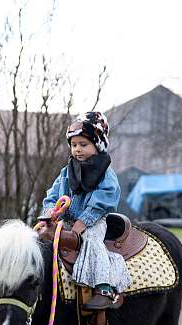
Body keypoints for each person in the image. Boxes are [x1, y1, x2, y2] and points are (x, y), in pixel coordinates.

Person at [42, 111, 131, 310]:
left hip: (94, 220)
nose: (78, 150)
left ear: (98, 145)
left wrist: (83, 223)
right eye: (74, 145)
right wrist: (49, 213)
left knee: (91, 240)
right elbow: (53, 194)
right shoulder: (67, 172)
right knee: (45, 238)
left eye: (84, 145)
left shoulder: (104, 173)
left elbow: (104, 199)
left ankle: (104, 288)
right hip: (68, 220)